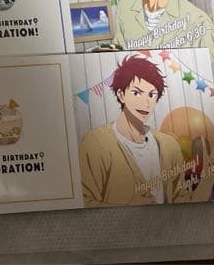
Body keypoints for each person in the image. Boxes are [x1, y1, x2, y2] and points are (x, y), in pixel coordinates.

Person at [79, 55, 190, 205]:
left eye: (152, 95)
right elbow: (85, 201)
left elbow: (181, 198)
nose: (146, 102)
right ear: (121, 95)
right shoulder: (96, 143)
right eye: (136, 93)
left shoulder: (169, 145)